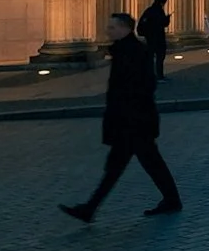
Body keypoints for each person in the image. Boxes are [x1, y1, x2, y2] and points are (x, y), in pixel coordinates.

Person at [58, 13, 182, 223]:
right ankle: (90, 208)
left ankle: (90, 208)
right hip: (132, 121)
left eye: (113, 27)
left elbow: (143, 86)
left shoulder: (132, 52)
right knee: (137, 165)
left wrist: (128, 112)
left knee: (129, 166)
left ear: (125, 28)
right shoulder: (126, 51)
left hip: (133, 122)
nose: (108, 30)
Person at [137, 0, 171, 82]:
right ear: (161, 3)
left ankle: (151, 75)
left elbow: (142, 24)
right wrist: (167, 18)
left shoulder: (149, 11)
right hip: (158, 38)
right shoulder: (159, 11)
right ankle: (159, 75)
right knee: (159, 57)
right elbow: (164, 23)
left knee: (150, 58)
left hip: (150, 38)